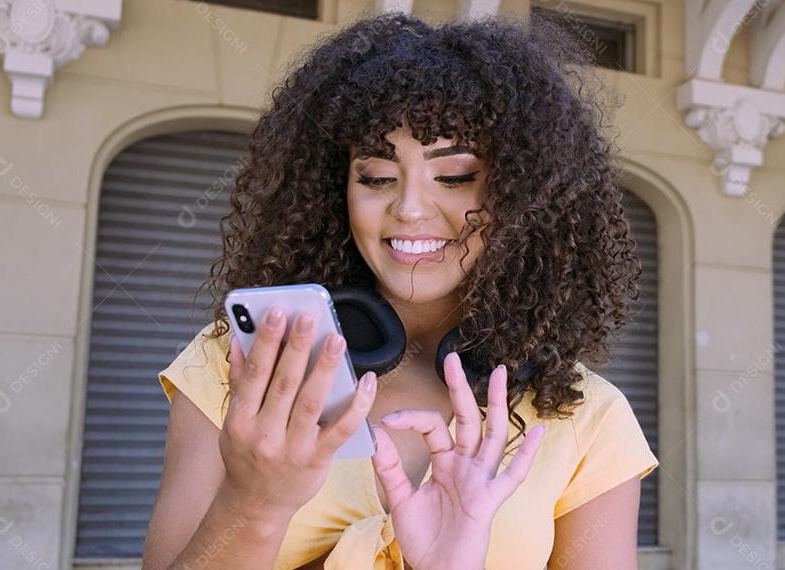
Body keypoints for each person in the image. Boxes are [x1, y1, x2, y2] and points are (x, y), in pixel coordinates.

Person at [143, 10, 658, 570]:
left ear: (525, 195)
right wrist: (253, 505)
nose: (409, 209)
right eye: (377, 177)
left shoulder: (587, 418)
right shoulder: (244, 364)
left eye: (456, 176)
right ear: (331, 190)